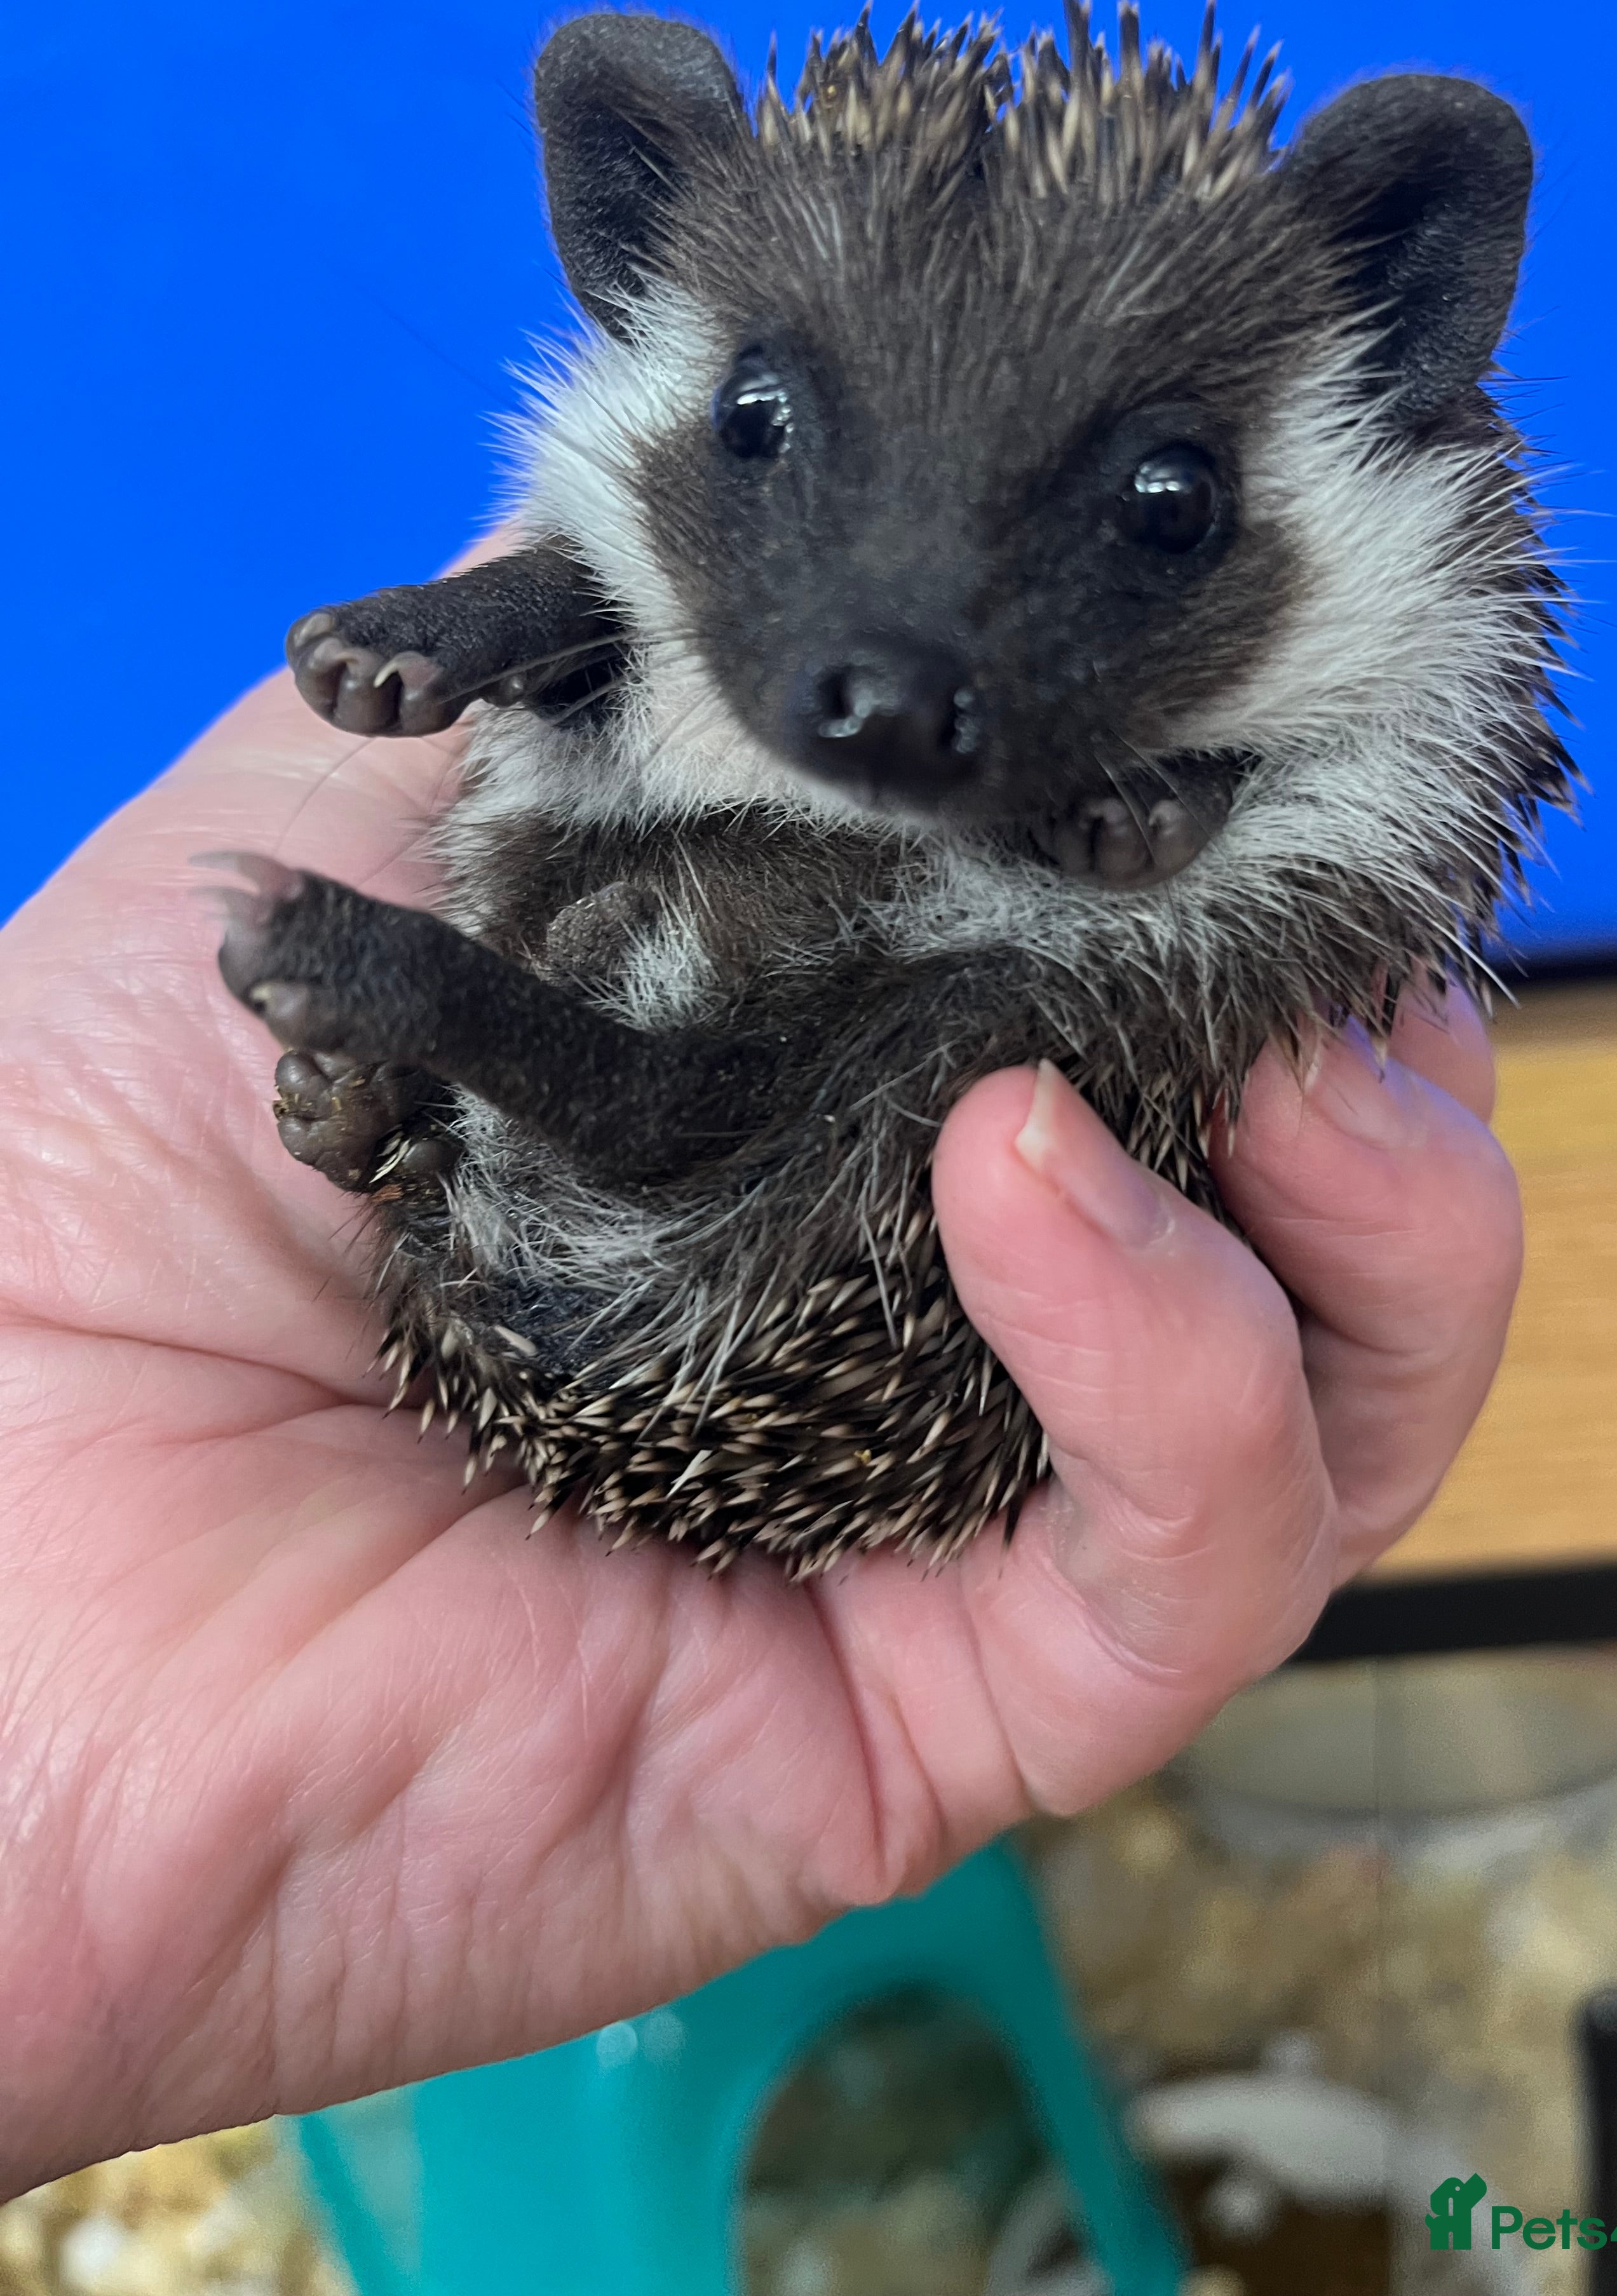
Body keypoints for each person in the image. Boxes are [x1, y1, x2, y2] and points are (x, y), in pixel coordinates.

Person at [0, 591, 1522, 2198]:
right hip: (693, 1087)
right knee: (811, 998)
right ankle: (460, 1066)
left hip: (807, 1099)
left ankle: (462, 1057)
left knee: (961, 1061)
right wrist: (487, 627)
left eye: (1160, 514)